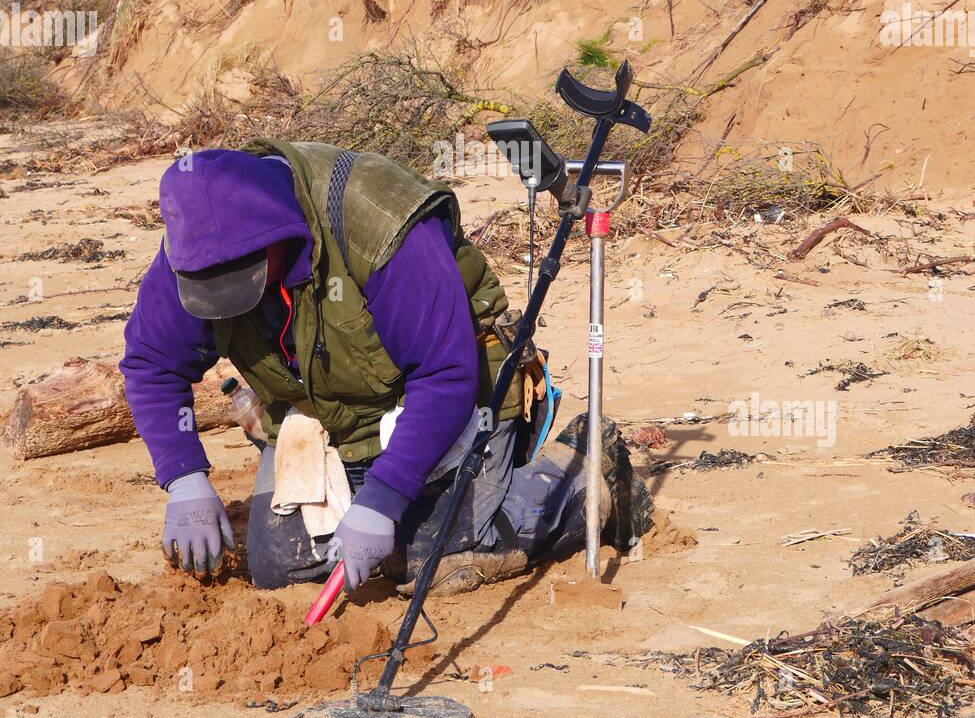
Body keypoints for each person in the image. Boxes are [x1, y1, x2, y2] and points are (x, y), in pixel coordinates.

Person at [120, 139, 649, 595]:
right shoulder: (194, 249)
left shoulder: (377, 224)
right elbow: (150, 362)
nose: (226, 300)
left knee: (430, 559)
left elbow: (445, 375)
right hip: (325, 414)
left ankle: (582, 469)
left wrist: (382, 500)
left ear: (278, 235)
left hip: (450, 394)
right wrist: (184, 476)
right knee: (282, 568)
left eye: (242, 283)